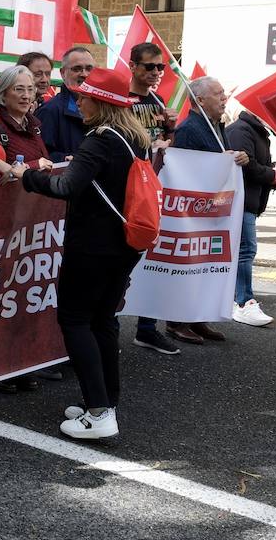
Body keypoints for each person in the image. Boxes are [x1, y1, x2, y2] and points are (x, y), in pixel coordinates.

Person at [13, 67, 151, 440]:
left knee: (75, 321)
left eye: (83, 96)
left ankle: (99, 412)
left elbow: (66, 187)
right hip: (126, 244)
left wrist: (26, 175)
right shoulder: (133, 138)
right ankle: (106, 401)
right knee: (103, 321)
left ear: (101, 102)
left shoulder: (100, 140)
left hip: (92, 246)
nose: (77, 101)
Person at [168, 76, 250, 344]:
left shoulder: (216, 125)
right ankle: (177, 321)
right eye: (218, 94)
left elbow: (219, 160)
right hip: (192, 212)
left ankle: (195, 317)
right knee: (188, 265)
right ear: (200, 101)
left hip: (209, 209)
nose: (224, 97)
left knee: (202, 265)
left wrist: (238, 158)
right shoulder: (189, 129)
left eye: (223, 92)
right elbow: (184, 171)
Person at [125, 43, 182, 356]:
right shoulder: (122, 99)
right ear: (133, 66)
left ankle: (147, 329)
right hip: (127, 190)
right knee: (121, 263)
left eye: (160, 68)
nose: (156, 73)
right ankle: (110, 328)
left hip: (150, 190)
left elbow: (166, 144)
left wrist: (169, 129)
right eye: (149, 67)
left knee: (151, 259)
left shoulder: (158, 100)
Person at [225, 108, 276, 327]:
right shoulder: (242, 130)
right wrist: (274, 175)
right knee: (245, 250)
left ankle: (239, 300)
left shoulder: (254, 131)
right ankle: (243, 302)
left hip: (248, 201)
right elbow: (247, 167)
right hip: (240, 202)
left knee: (242, 251)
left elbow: (253, 164)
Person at [0, 66, 53, 168]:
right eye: (19, 89)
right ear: (3, 93)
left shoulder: (34, 126)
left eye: (30, 90)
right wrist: (35, 165)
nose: (26, 96)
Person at [38, 47, 97, 160]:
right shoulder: (49, 111)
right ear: (63, 73)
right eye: (77, 69)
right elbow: (40, 156)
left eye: (89, 69)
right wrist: (69, 159)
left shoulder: (104, 110)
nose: (84, 74)